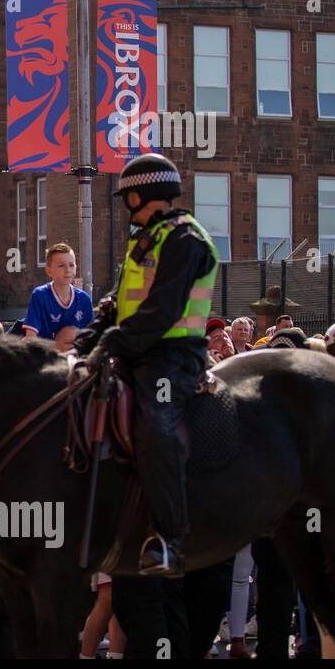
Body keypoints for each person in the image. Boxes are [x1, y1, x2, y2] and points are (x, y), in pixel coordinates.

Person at [79, 153, 219, 577]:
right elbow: (117, 305)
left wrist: (113, 341)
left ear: (141, 196)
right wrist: (85, 341)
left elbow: (161, 311)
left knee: (155, 426)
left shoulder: (186, 240)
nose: (126, 206)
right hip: (137, 350)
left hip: (172, 359)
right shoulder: (145, 240)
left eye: (128, 198)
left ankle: (169, 539)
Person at [23, 243, 95, 341]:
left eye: (71, 265)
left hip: (75, 354)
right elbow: (30, 336)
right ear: (49, 271)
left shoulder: (84, 299)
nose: (68, 270)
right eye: (61, 266)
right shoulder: (40, 295)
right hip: (48, 353)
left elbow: (91, 337)